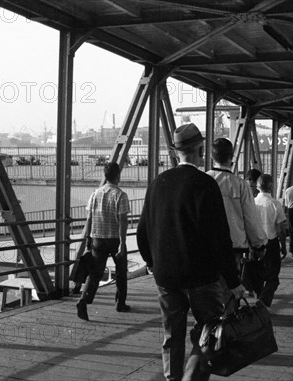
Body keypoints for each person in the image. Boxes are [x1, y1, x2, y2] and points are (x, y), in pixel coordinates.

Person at [136, 124, 244, 381]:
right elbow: (220, 239)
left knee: (171, 336)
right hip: (200, 277)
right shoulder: (205, 184)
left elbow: (142, 233)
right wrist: (234, 282)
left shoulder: (157, 184)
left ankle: (172, 378)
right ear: (200, 150)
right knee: (209, 333)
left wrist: (153, 262)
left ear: (175, 152)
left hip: (166, 277)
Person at [206, 138, 268, 299]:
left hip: (206, 248)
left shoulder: (203, 180)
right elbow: (250, 218)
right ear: (232, 156)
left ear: (212, 157)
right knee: (230, 291)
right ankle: (228, 320)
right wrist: (259, 244)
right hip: (233, 247)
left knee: (209, 291)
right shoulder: (239, 184)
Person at [76, 162, 130, 321]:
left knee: (95, 273)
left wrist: (88, 240)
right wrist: (123, 242)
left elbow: (89, 219)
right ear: (118, 176)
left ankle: (84, 300)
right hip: (114, 239)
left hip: (97, 239)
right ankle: (120, 303)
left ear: (104, 176)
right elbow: (123, 221)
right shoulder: (120, 195)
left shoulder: (95, 194)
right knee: (121, 272)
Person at [254, 174, 287, 306]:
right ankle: (263, 300)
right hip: (271, 243)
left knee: (258, 274)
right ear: (271, 186)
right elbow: (280, 229)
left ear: (257, 186)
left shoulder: (252, 202)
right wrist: (283, 245)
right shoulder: (275, 204)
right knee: (273, 277)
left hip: (255, 242)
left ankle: (259, 297)